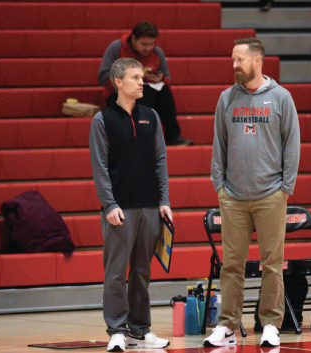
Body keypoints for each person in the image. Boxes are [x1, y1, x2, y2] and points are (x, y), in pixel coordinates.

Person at [204, 37, 300, 347]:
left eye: (240, 60)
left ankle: (270, 323)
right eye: (232, 60)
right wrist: (219, 186)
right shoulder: (225, 99)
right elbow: (218, 145)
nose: (234, 65)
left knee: (273, 263)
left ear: (257, 61)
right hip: (232, 196)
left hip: (271, 194)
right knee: (232, 264)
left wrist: (285, 189)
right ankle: (228, 325)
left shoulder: (282, 98)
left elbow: (292, 146)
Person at [90, 58, 172, 352]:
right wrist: (108, 204)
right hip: (119, 210)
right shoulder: (103, 120)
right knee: (115, 273)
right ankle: (116, 330)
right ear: (118, 82)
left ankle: (141, 329)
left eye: (142, 77)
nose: (142, 82)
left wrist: (164, 200)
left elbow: (160, 161)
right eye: (135, 77)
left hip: (149, 208)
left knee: (141, 272)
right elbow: (99, 168)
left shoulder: (151, 115)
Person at [98, 21, 193, 147]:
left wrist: (160, 79)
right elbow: (103, 77)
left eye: (151, 44)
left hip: (148, 92)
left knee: (164, 91)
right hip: (118, 94)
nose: (148, 48)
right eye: (143, 44)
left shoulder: (157, 52)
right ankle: (143, 138)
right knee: (144, 93)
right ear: (133, 39)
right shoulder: (116, 48)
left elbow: (167, 79)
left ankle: (173, 136)